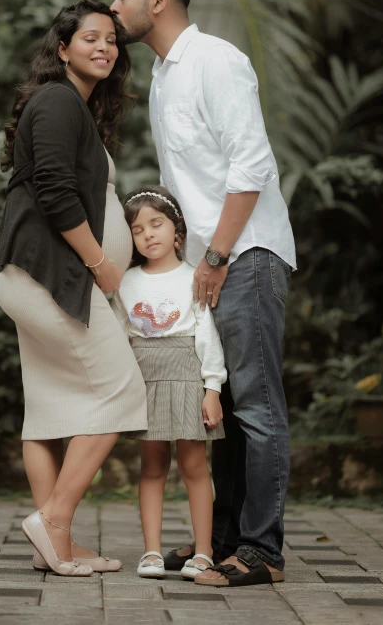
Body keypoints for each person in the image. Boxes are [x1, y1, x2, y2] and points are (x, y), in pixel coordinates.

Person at [110, 0, 296, 587]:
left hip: (243, 255)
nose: (114, 6)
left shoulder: (215, 60)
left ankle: (261, 552)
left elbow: (253, 167)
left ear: (158, 1)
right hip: (207, 265)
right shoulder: (164, 74)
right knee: (226, 407)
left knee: (257, 406)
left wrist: (214, 258)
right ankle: (218, 544)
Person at [0, 0, 147, 577]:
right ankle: (52, 521)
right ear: (62, 49)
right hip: (49, 275)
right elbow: (55, 190)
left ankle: (54, 540)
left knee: (52, 408)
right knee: (122, 390)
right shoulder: (57, 100)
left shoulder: (69, 105)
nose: (105, 48)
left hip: (37, 276)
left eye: (112, 40)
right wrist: (102, 262)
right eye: (90, 39)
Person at [111, 186, 227, 580]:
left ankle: (205, 552)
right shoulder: (124, 283)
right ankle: (152, 552)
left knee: (194, 464)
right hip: (144, 379)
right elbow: (117, 336)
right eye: (137, 229)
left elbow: (206, 334)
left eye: (156, 223)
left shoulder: (193, 276)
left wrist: (213, 389)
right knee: (152, 465)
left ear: (175, 228)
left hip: (186, 376)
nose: (148, 234)